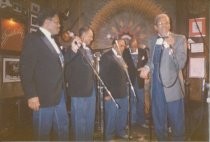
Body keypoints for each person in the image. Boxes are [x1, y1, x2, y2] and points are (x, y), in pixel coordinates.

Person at [20, 8, 69, 141]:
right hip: (42, 97)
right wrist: (31, 95)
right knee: (42, 134)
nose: (60, 25)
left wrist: (73, 51)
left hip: (59, 95)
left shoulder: (55, 42)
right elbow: (25, 69)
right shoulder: (33, 39)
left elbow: (60, 65)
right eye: (57, 22)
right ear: (47, 22)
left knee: (63, 129)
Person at [139, 13, 187, 141]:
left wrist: (170, 47)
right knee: (159, 123)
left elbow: (181, 64)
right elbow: (152, 61)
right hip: (156, 88)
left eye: (167, 22)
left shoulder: (180, 39)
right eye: (161, 23)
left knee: (177, 123)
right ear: (155, 27)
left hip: (173, 88)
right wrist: (146, 68)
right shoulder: (152, 40)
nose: (165, 25)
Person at [64, 27, 96, 141]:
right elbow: (67, 67)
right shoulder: (73, 48)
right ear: (83, 36)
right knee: (79, 121)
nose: (92, 39)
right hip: (78, 90)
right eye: (90, 36)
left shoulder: (90, 50)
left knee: (89, 119)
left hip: (90, 89)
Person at [100, 39, 129, 140]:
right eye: (120, 45)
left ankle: (120, 131)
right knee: (111, 115)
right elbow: (102, 76)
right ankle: (109, 136)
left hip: (123, 91)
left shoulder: (121, 57)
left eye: (124, 46)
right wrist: (106, 93)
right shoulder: (106, 56)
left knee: (122, 114)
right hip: (112, 92)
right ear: (114, 45)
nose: (123, 48)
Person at [122, 38, 148, 128]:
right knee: (131, 101)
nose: (133, 48)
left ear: (137, 45)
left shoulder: (142, 51)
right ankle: (131, 121)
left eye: (135, 46)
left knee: (141, 101)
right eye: (131, 46)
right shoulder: (125, 52)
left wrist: (144, 69)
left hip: (140, 81)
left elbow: (146, 62)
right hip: (130, 80)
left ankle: (141, 121)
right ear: (129, 45)